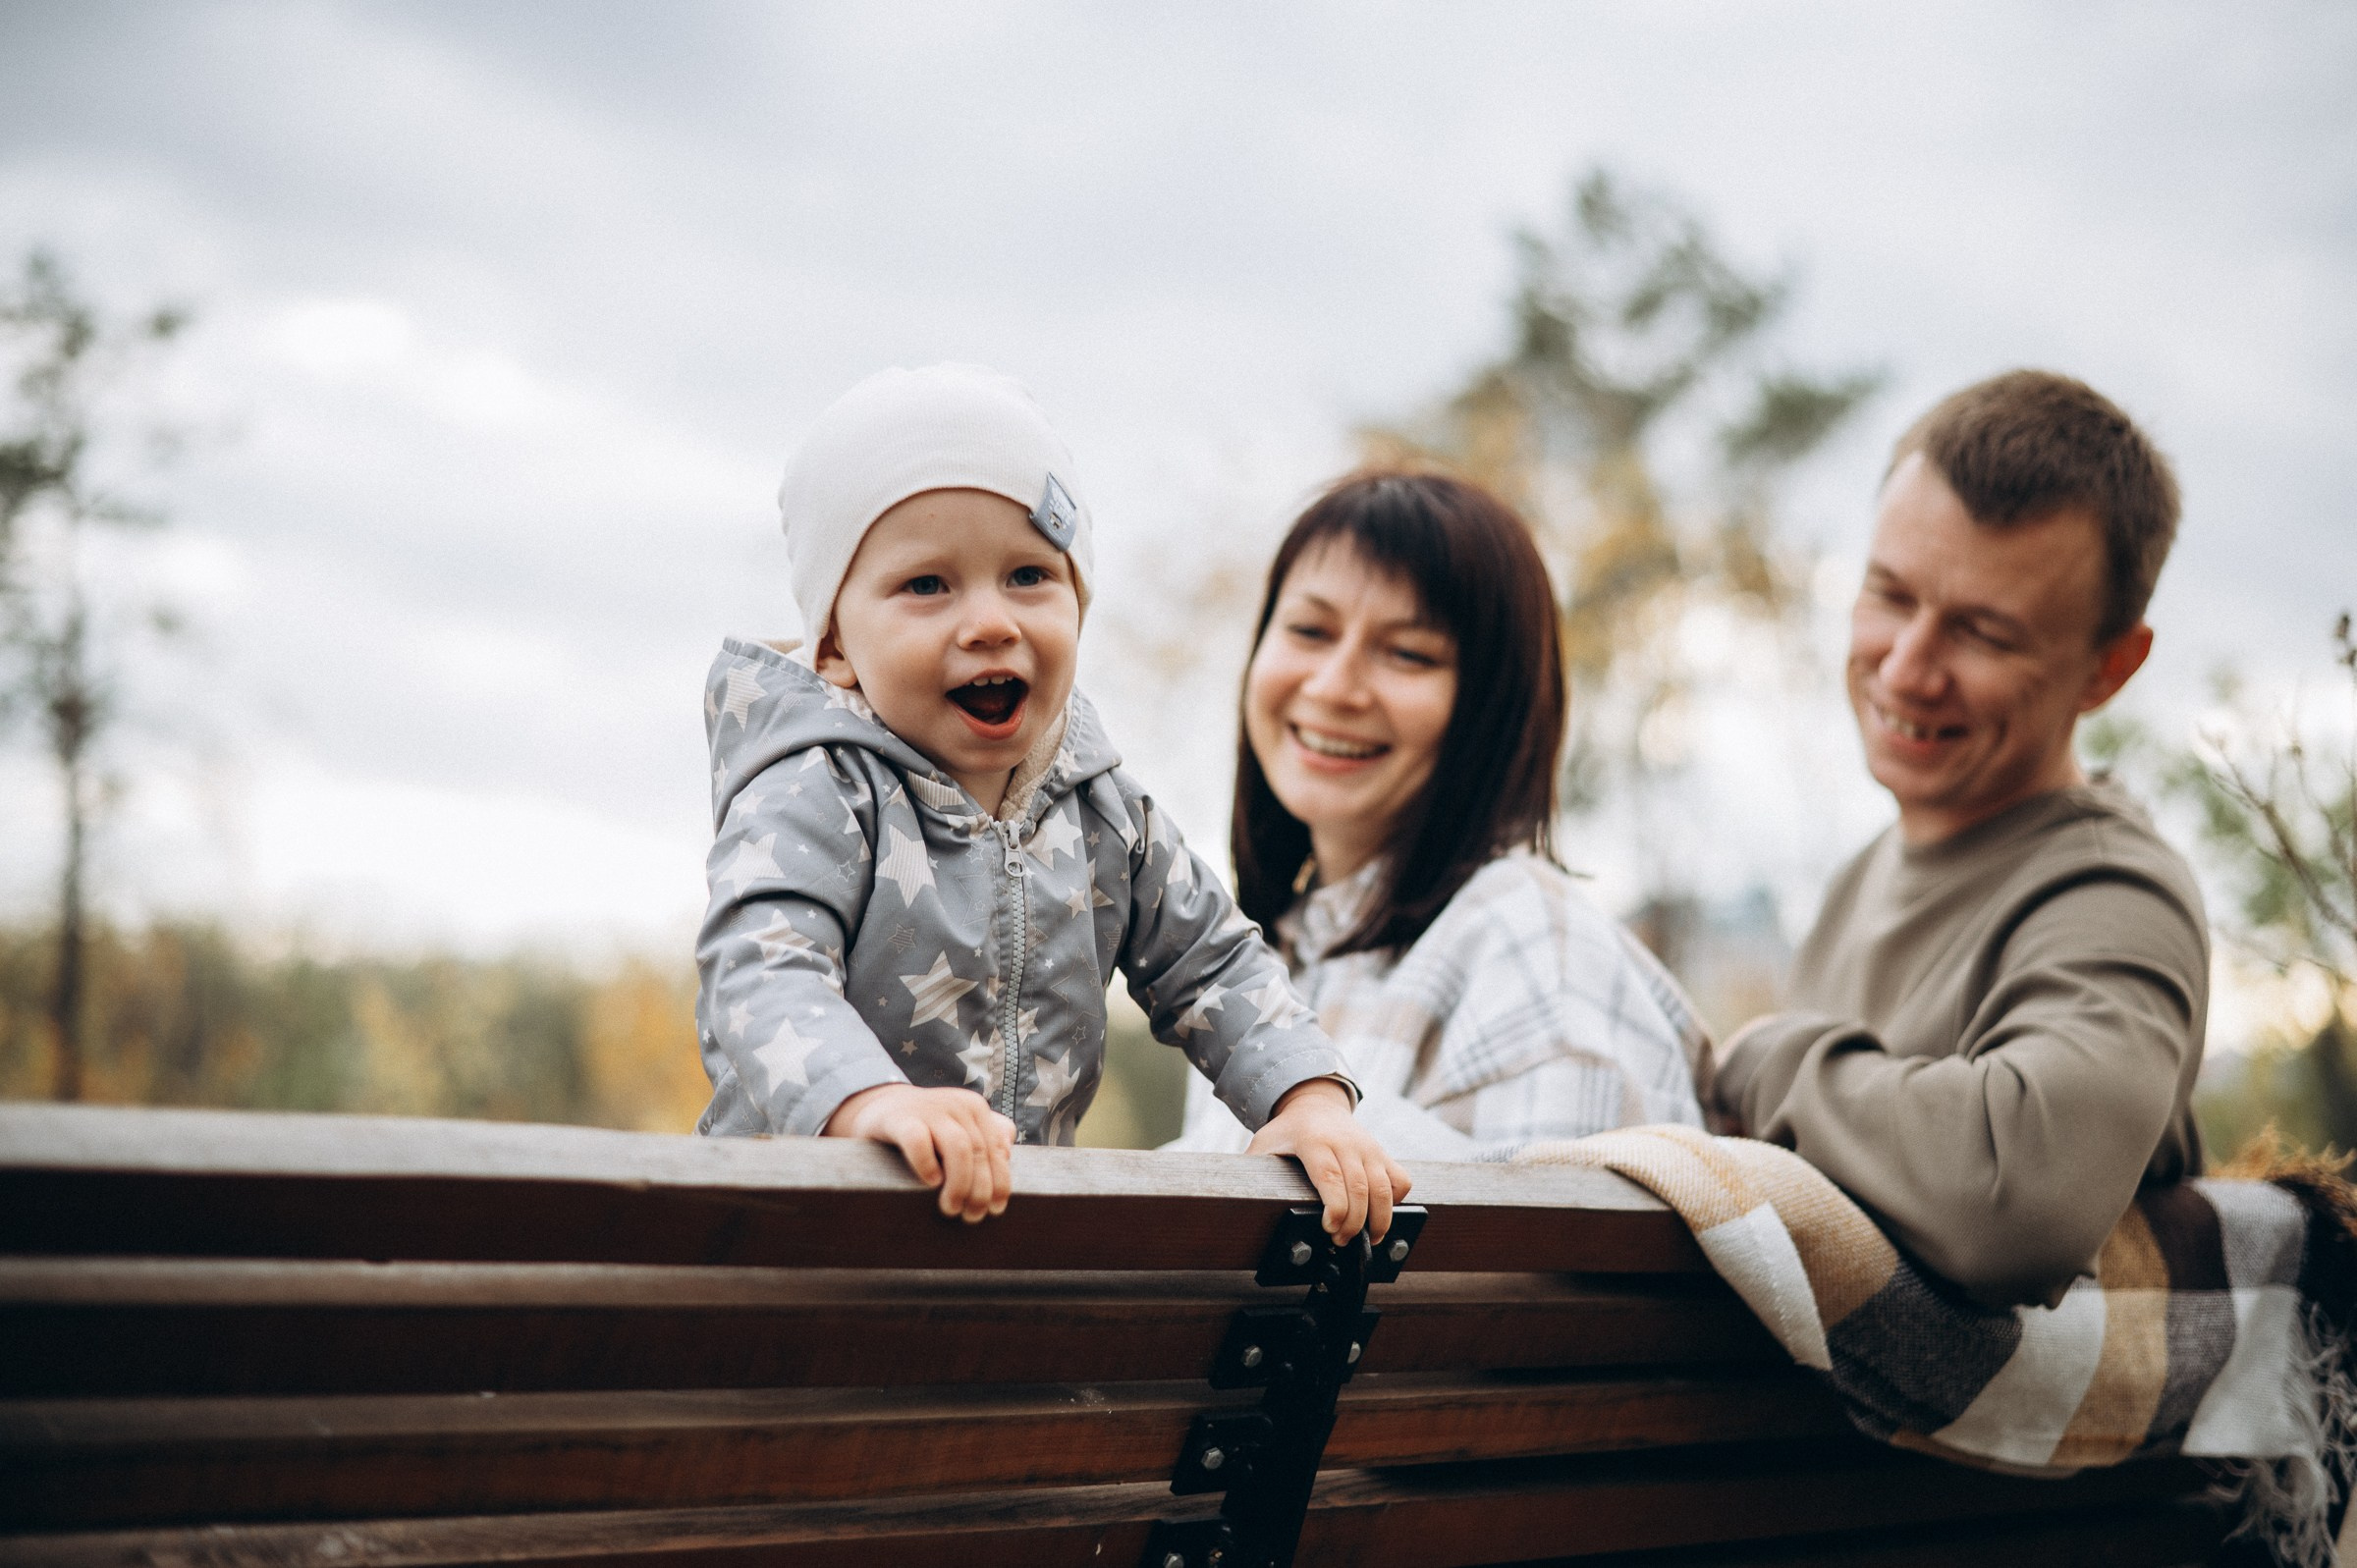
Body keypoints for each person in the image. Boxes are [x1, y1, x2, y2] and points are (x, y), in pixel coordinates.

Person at [694, 364, 1409, 1240]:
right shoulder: (819, 788)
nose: (991, 621)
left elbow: (1214, 962)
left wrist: (1307, 1099)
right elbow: (762, 970)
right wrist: (869, 1101)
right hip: (797, 1234)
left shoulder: (1101, 808)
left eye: (1029, 574)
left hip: (998, 1239)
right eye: (927, 585)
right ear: (836, 644)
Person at [1709, 369, 2206, 1309]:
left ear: (2109, 667)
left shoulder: (2114, 898)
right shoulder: (1860, 877)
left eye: (1983, 633)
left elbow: (2014, 1199)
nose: (1906, 668)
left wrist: (1769, 1059)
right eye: (1889, 595)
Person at [1168, 471, 1710, 1160]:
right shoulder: (1262, 961)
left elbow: (1554, 1228)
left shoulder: (1528, 945)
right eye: (1309, 630)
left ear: (1491, 706)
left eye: (1408, 653)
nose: (1333, 686)